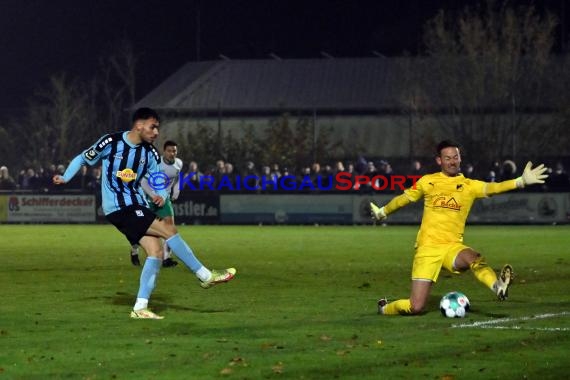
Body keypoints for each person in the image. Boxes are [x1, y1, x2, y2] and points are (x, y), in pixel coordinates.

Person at [53, 107, 236, 320]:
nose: (157, 132)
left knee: (156, 252)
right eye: (153, 127)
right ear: (139, 125)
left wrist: (160, 194)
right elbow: (83, 158)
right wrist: (66, 177)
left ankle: (140, 308)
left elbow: (157, 177)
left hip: (136, 205)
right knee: (169, 229)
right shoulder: (110, 142)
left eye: (158, 127)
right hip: (119, 207)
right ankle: (205, 275)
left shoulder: (149, 152)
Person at [370, 140, 548, 316]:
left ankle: (498, 286)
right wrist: (382, 212)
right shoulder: (428, 181)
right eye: (447, 158)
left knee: (474, 257)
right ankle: (385, 308)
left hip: (451, 247)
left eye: (455, 157)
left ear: (460, 158)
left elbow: (494, 187)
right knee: (415, 307)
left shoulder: (469, 186)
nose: (452, 161)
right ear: (439, 161)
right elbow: (404, 199)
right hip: (428, 249)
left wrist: (520, 181)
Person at [130, 140, 182, 268]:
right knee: (143, 229)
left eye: (174, 150)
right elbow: (143, 182)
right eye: (169, 151)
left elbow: (177, 177)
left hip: (164, 199)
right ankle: (134, 249)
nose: (172, 153)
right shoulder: (156, 163)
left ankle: (166, 259)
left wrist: (176, 190)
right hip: (149, 198)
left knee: (170, 228)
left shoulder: (178, 163)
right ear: (164, 152)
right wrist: (154, 196)